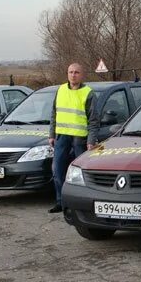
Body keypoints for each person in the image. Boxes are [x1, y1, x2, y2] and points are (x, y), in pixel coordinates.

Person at [48, 63, 97, 213]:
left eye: (76, 72)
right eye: (70, 72)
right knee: (57, 170)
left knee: (81, 173)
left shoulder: (89, 93)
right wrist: (51, 134)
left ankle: (81, 204)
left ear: (82, 75)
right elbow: (54, 114)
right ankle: (61, 202)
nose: (73, 75)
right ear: (67, 74)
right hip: (62, 136)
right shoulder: (61, 90)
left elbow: (94, 120)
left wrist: (91, 140)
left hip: (80, 139)